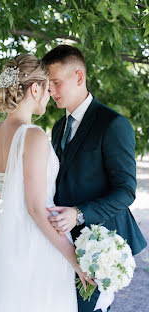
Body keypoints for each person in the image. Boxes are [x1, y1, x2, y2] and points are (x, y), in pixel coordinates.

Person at [0, 54, 94, 312]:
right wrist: (75, 259)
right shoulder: (33, 135)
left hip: (5, 242)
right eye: (47, 87)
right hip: (36, 248)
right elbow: (35, 209)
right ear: (35, 88)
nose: (49, 95)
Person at [42, 45, 147, 312]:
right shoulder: (58, 127)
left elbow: (126, 191)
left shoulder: (113, 124)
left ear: (79, 77)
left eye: (55, 83)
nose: (50, 91)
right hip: (62, 244)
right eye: (47, 84)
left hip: (98, 247)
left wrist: (78, 214)